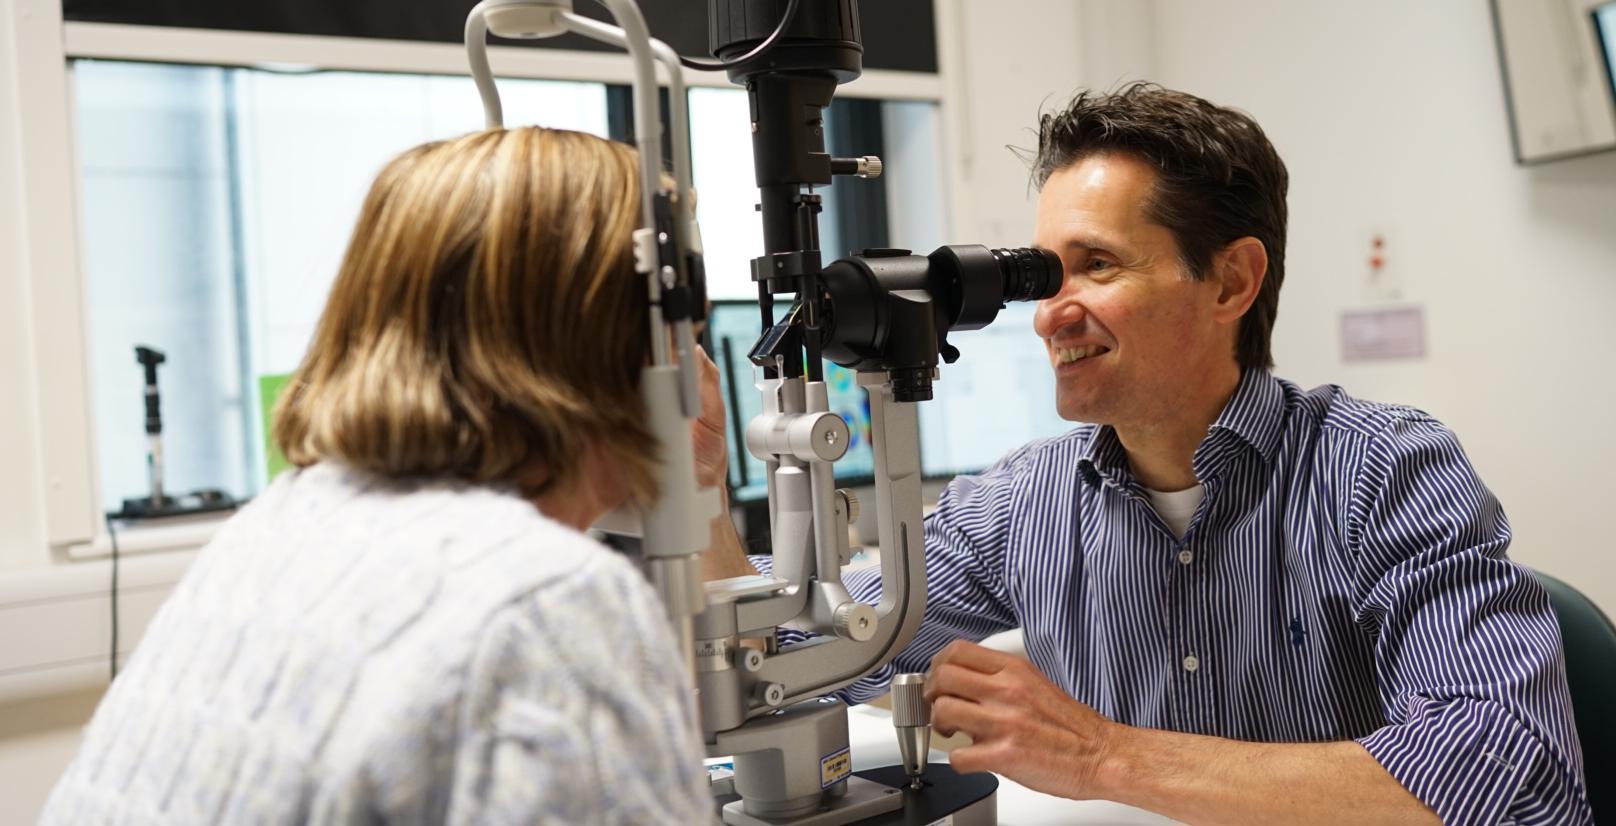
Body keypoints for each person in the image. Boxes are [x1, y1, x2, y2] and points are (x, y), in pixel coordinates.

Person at [701, 83, 1593, 824]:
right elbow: (796, 647)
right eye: (1044, 274)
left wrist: (1100, 754)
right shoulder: (1026, 503)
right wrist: (697, 483)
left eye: (1097, 265)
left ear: (1233, 281)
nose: (1051, 311)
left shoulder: (1384, 476)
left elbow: (1511, 772)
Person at [42, 127, 715, 824]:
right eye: (680, 326)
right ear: (618, 339)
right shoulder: (545, 600)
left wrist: (692, 488)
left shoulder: (282, 525)